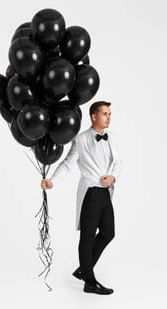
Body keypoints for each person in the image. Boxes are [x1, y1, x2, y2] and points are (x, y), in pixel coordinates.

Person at [40, 100, 123, 295]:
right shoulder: (81, 139)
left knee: (108, 233)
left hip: (105, 193)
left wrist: (112, 176)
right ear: (94, 116)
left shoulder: (112, 138)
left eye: (110, 114)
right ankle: (89, 281)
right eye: (105, 114)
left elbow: (118, 162)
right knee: (87, 238)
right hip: (90, 193)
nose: (109, 117)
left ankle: (84, 270)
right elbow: (67, 164)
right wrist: (52, 181)